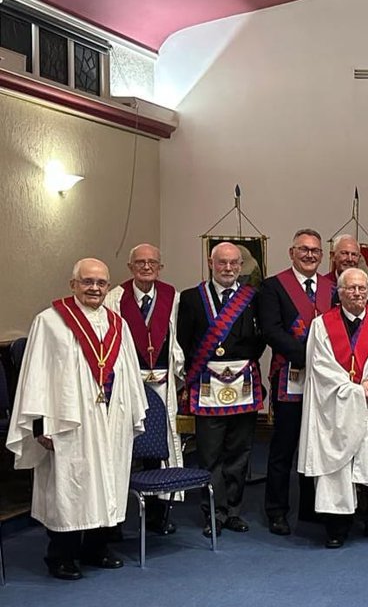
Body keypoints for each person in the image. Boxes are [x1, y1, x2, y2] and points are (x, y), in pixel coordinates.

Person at [6, 258, 147, 580]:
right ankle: (61, 555)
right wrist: (41, 424)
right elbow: (36, 376)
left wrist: (131, 414)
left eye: (101, 283)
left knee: (106, 480)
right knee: (70, 485)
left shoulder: (117, 323)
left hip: (110, 416)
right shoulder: (51, 321)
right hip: (68, 420)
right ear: (73, 284)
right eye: (87, 282)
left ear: (108, 287)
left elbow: (127, 373)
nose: (94, 288)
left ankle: (96, 548)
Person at [299, 268, 368, 548]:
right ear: (339, 291)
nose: (357, 293)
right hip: (336, 406)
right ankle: (337, 527)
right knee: (336, 467)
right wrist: (355, 390)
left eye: (362, 288)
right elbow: (319, 366)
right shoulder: (322, 325)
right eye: (350, 288)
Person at [177, 241, 267, 537]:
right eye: (222, 262)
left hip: (242, 382)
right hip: (206, 385)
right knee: (209, 453)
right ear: (210, 263)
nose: (228, 268)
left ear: (241, 266)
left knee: (239, 451)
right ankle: (213, 512)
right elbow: (185, 341)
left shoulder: (253, 298)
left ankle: (234, 510)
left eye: (234, 263)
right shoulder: (191, 298)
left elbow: (260, 339)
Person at [258, 229, 337, 535]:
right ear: (291, 252)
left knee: (317, 443)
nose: (309, 255)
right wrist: (310, 357)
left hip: (325, 381)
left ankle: (311, 508)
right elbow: (271, 331)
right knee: (284, 446)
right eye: (303, 249)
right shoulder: (273, 286)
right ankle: (277, 510)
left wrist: (326, 363)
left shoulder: (332, 288)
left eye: (315, 251)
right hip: (289, 377)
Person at [104, 243, 185, 535]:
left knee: (159, 447)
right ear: (130, 267)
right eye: (140, 262)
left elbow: (177, 340)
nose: (147, 267)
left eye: (153, 262)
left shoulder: (171, 296)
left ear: (160, 266)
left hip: (163, 383)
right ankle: (114, 519)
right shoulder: (115, 298)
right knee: (123, 447)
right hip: (128, 383)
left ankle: (157, 514)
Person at [327, 234, 368, 302]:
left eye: (354, 254)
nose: (350, 259)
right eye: (344, 253)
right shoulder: (322, 285)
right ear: (333, 256)